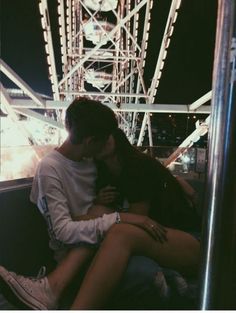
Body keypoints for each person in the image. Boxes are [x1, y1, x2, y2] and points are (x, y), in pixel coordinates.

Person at [0, 97, 200, 310]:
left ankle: (56, 291)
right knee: (108, 222)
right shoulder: (85, 164)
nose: (108, 142)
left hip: (176, 241)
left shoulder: (106, 162)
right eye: (105, 138)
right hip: (97, 247)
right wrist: (118, 216)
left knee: (116, 230)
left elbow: (144, 171)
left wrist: (175, 181)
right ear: (90, 141)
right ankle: (53, 288)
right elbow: (67, 229)